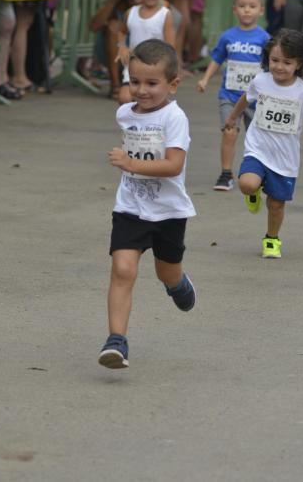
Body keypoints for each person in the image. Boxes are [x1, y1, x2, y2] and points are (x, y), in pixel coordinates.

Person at [99, 39, 197, 370]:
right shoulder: (125, 113)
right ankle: (116, 340)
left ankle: (177, 283)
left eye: (151, 83)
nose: (141, 90)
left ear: (173, 84)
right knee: (122, 269)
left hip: (168, 211)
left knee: (165, 271)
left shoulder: (175, 118)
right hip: (130, 206)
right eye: (134, 81)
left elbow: (173, 166)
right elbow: (129, 106)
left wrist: (131, 164)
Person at [224, 29, 303, 259]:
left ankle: (271, 238)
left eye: (287, 62)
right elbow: (245, 99)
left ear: (299, 63)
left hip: (285, 157)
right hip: (258, 148)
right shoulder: (260, 81)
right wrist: (233, 117)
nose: (279, 66)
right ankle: (253, 192)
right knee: (248, 184)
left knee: (276, 204)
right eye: (274, 60)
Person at [196, 0, 269, 191]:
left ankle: (258, 172)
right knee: (229, 132)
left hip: (255, 98)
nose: (247, 10)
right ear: (234, 9)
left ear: (261, 10)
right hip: (229, 95)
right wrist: (205, 79)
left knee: (258, 136)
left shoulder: (264, 38)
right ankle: (226, 174)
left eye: (252, 6)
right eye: (242, 5)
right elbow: (217, 59)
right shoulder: (228, 36)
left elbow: (271, 66)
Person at [118, 0, 175, 102]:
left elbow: (170, 46)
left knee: (151, 104)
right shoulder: (130, 13)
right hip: (134, 67)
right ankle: (130, 124)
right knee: (125, 98)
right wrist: (122, 47)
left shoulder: (165, 15)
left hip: (156, 69)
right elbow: (121, 31)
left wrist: (170, 70)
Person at [90, 0, 139, 99]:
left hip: (141, 56)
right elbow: (93, 27)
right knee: (114, 27)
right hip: (115, 56)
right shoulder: (116, 1)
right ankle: (115, 85)